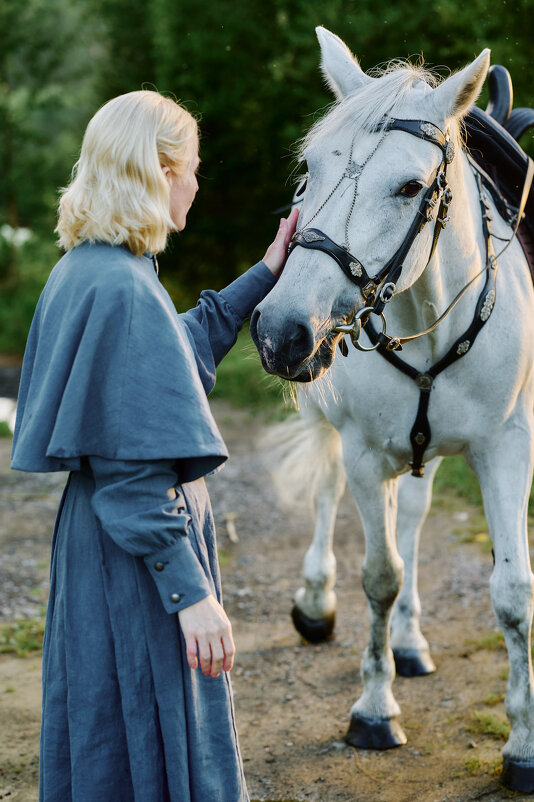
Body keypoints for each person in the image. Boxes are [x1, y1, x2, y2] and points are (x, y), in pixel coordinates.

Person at [10, 90, 298, 802]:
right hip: (133, 558)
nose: (198, 184)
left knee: (109, 727)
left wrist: (265, 275)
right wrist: (189, 592)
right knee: (152, 728)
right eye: (192, 168)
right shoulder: (122, 289)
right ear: (160, 170)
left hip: (100, 547)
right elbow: (133, 477)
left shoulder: (91, 269)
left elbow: (173, 352)